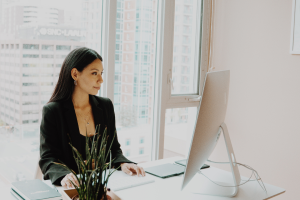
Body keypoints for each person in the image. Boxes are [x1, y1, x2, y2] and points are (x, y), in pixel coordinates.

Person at [39, 47, 145, 189]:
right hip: (73, 189)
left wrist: (123, 163)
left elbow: (114, 148)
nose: (100, 80)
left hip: (103, 186)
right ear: (75, 74)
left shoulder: (105, 106)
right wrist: (64, 175)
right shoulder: (53, 111)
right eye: (94, 73)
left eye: (101, 73)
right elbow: (48, 158)